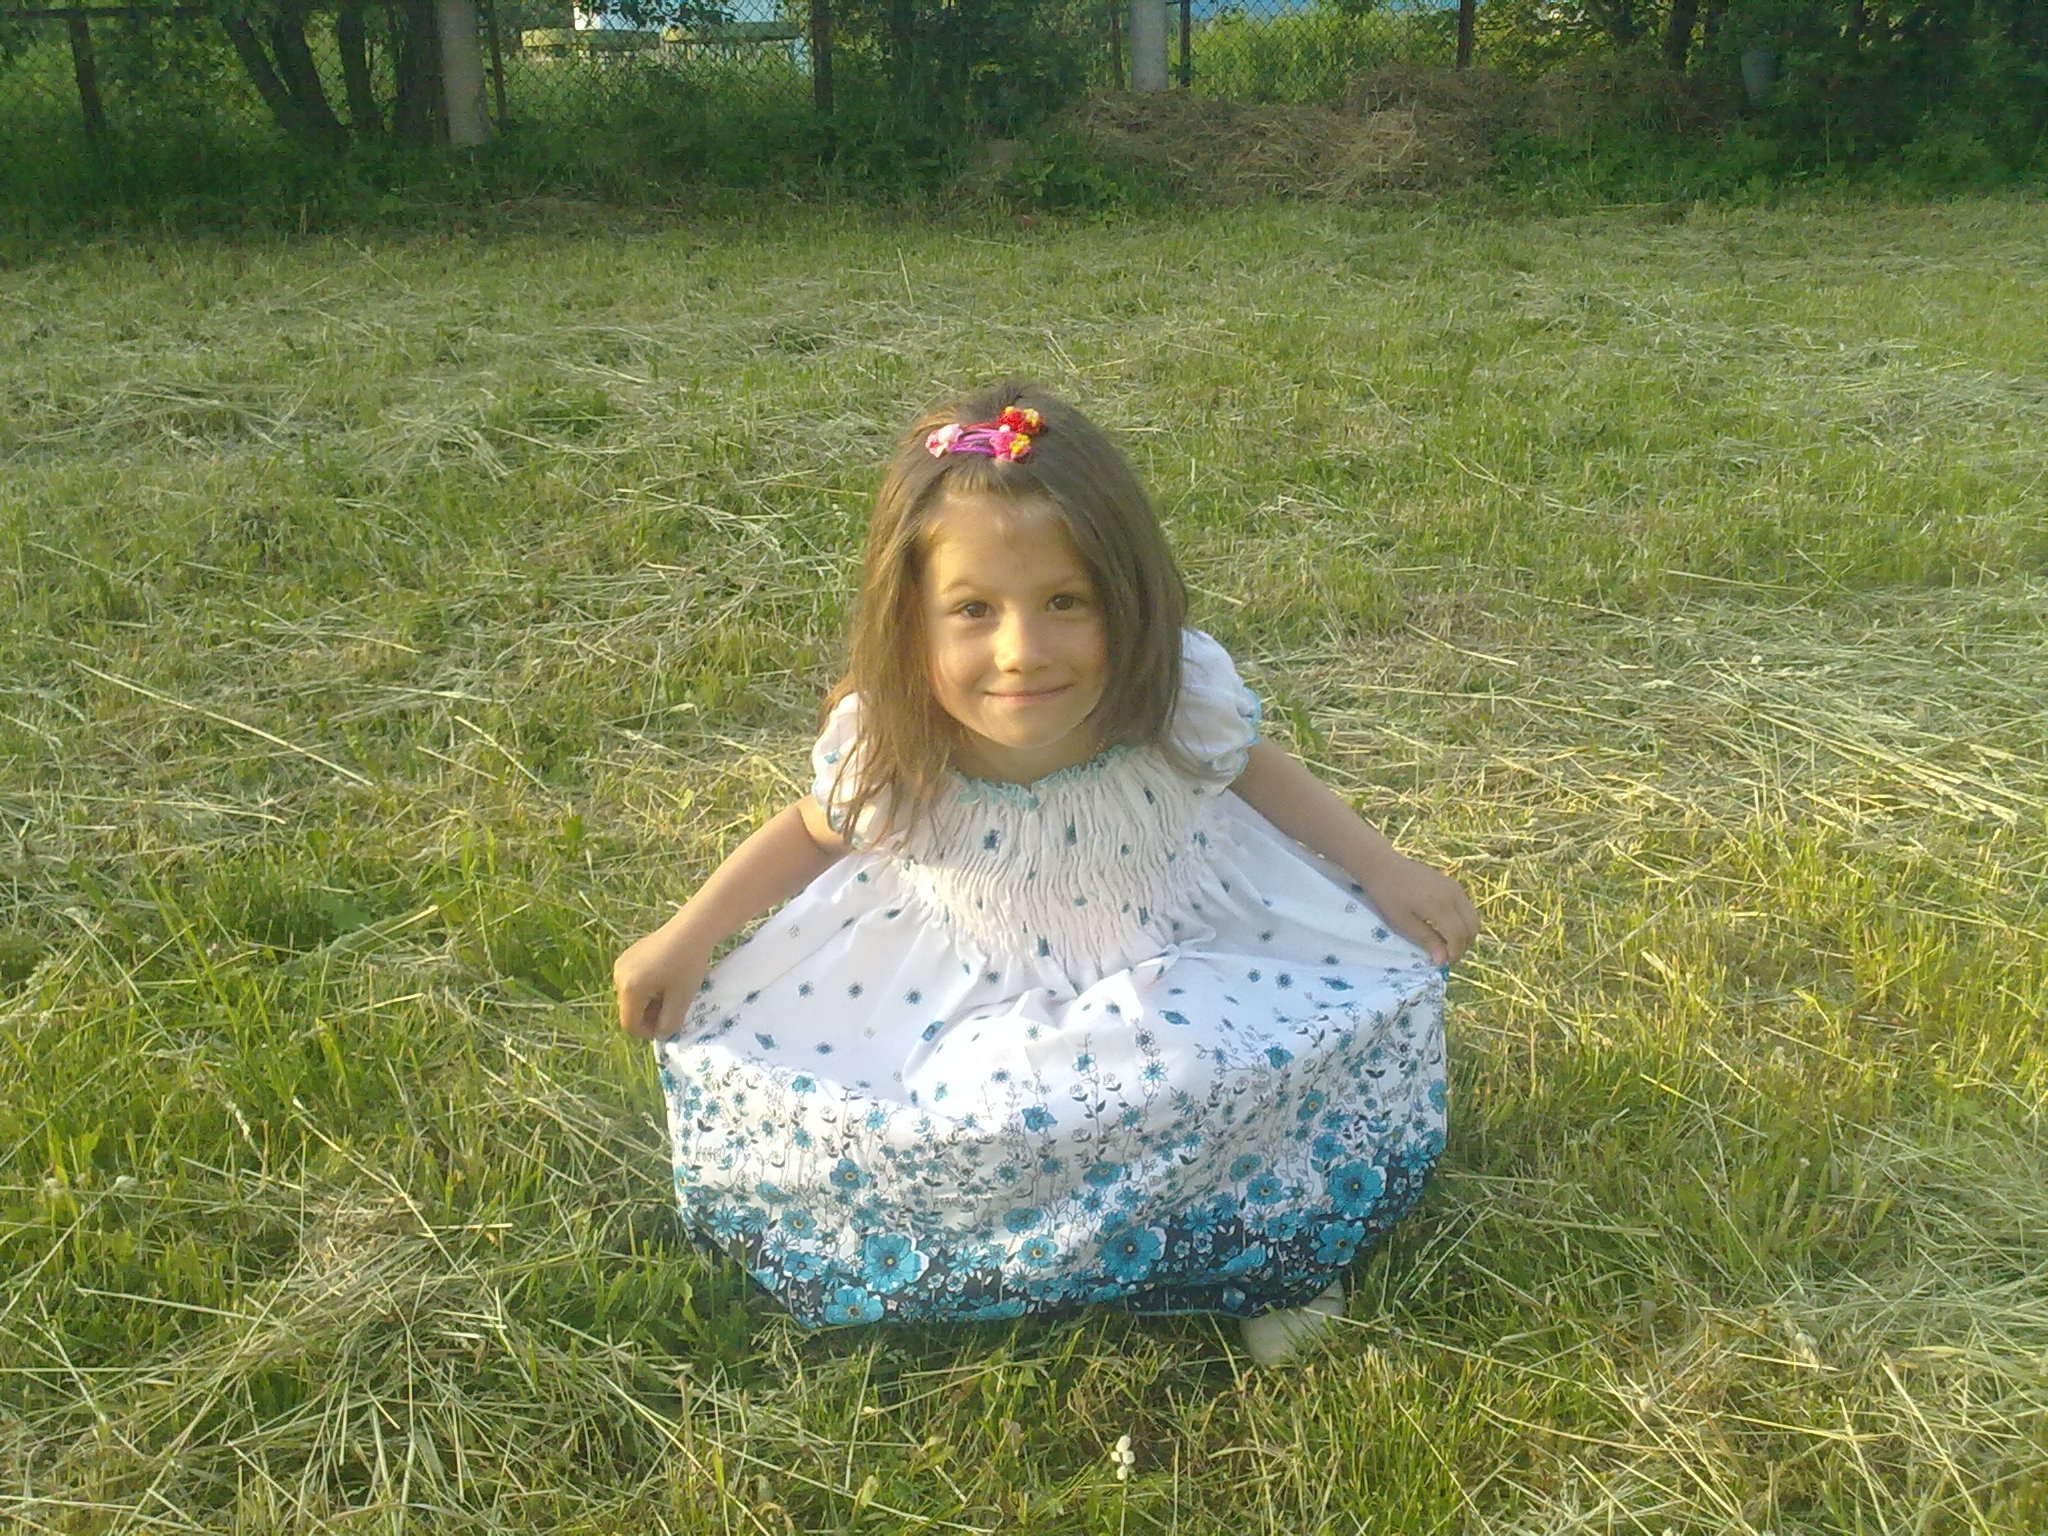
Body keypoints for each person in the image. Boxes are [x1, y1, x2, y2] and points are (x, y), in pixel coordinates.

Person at [613, 383, 1479, 1364]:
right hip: (965, 995)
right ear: (908, 620)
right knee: (955, 1128)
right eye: (972, 610)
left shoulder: (1172, 704)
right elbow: (812, 835)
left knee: (1237, 1074)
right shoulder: (896, 750)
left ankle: (1269, 1247)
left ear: (1128, 599)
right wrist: (687, 935)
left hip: (1186, 954)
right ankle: (1006, 1250)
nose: (1021, 652)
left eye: (1065, 602)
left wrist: (1384, 869)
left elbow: (1254, 771)